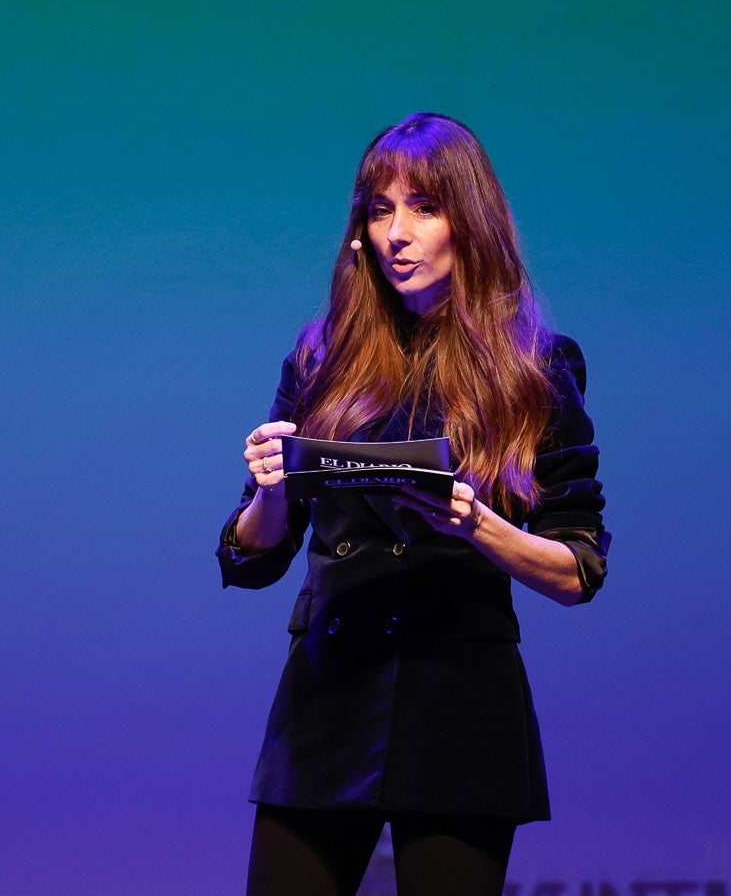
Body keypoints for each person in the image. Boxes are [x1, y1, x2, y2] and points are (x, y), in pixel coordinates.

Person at [216, 113, 610, 896]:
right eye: (378, 207)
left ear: (470, 221)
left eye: (424, 207)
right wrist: (268, 490)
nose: (397, 231)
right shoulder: (321, 353)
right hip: (329, 697)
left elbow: (577, 567)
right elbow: (254, 556)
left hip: (460, 703)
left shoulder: (533, 365)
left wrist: (478, 525)